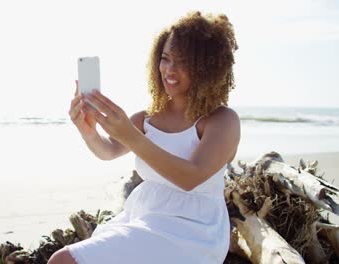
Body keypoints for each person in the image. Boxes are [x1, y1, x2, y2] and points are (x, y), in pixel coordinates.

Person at [49, 10, 240, 264]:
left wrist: (132, 137)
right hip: (144, 215)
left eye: (183, 62)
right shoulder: (148, 117)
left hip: (194, 231)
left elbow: (190, 177)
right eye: (166, 58)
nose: (170, 70)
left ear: (207, 67)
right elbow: (107, 151)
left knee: (62, 260)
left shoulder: (222, 120)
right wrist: (88, 131)